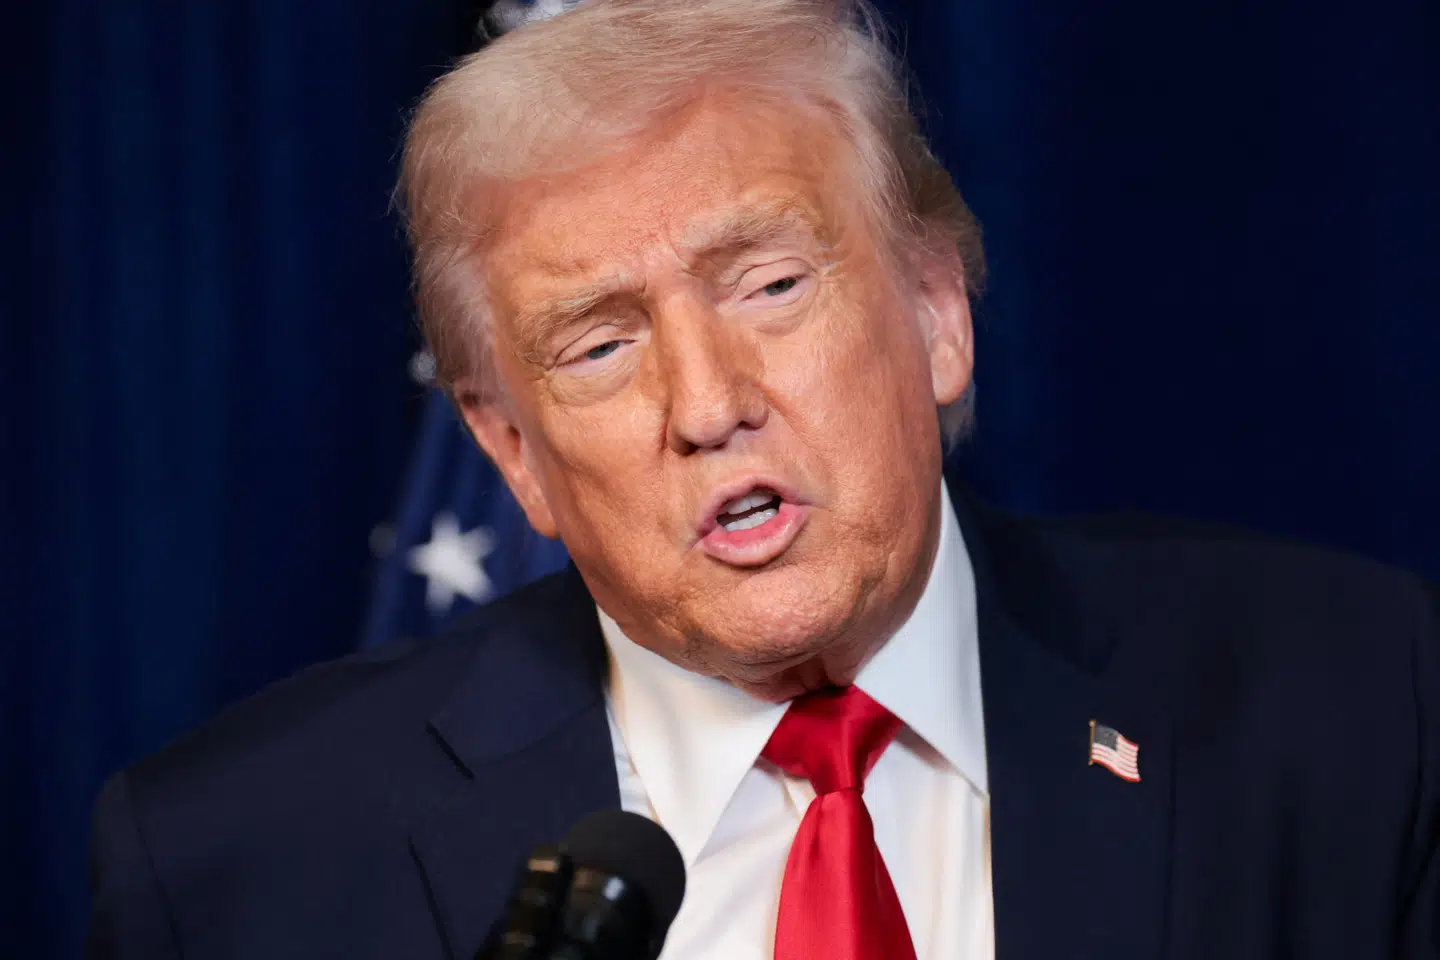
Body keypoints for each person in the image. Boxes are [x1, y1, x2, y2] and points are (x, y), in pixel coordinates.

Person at [86, 1, 1439, 958]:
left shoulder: (1355, 702)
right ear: (512, 454)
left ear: (935, 311)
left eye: (773, 285)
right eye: (603, 346)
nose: (710, 404)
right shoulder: (234, 868)